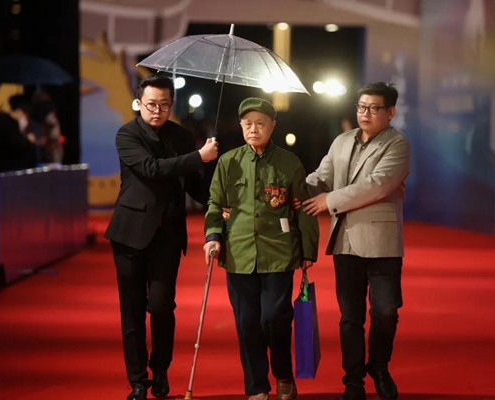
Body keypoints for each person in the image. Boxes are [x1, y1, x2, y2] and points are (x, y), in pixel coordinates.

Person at [104, 74, 219, 400]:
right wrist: (198, 156)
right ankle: (138, 381)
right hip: (129, 234)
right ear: (139, 103)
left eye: (164, 105)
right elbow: (152, 169)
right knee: (132, 311)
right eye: (152, 104)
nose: (157, 111)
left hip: (168, 234)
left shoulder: (182, 136)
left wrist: (217, 203)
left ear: (172, 105)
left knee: (162, 306)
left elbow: (192, 183)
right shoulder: (127, 134)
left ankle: (162, 369)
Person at [203, 97, 319, 400]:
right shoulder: (228, 162)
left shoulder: (289, 162)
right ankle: (257, 387)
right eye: (247, 124)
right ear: (241, 126)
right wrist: (213, 235)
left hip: (278, 253)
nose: (253, 129)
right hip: (238, 254)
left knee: (274, 319)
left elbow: (304, 207)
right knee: (247, 324)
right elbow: (215, 203)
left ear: (272, 126)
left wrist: (308, 250)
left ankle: (283, 374)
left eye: (260, 124)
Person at [302, 82, 410, 400]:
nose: (366, 113)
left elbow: (378, 185)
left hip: (382, 242)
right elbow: (320, 177)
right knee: (350, 317)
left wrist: (329, 200)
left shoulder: (398, 144)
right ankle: (353, 382)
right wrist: (289, 190)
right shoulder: (341, 141)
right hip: (345, 240)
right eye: (362, 107)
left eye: (374, 108)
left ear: (390, 112)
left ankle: (379, 366)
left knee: (385, 312)